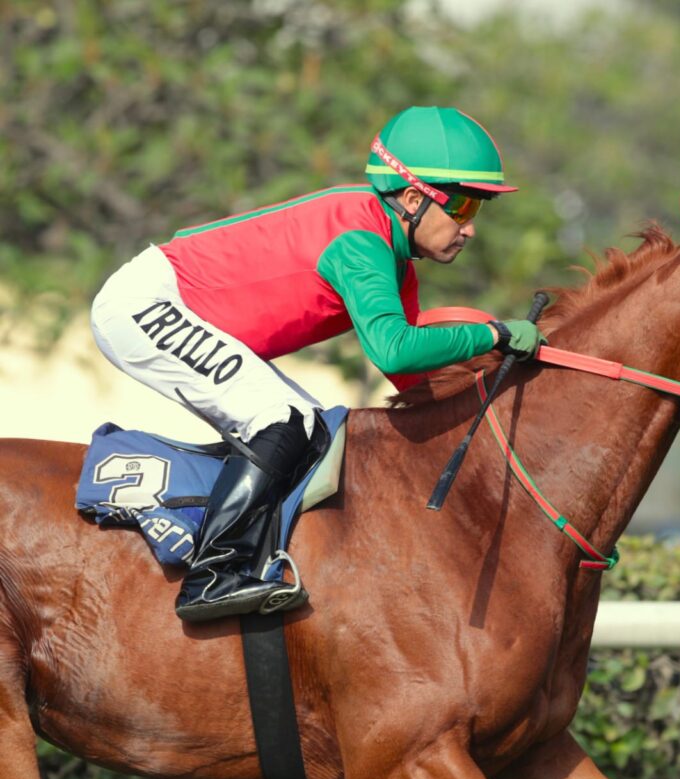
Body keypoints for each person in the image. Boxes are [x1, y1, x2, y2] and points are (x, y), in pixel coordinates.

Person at [90, 106, 544, 622]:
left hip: (173, 306)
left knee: (319, 434)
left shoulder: (392, 258)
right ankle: (212, 576)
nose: (470, 229)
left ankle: (252, 556)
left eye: (477, 212)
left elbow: (416, 383)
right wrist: (495, 334)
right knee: (284, 421)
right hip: (146, 303)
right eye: (462, 207)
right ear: (414, 198)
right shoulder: (360, 241)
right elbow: (395, 348)